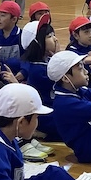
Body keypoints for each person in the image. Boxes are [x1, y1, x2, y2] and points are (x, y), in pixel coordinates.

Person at [20, 14, 60, 146]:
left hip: (54, 110)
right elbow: (66, 80)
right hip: (45, 116)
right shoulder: (38, 70)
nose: (55, 39)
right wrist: (59, 58)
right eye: (49, 36)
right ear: (37, 43)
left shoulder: (47, 62)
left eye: (54, 35)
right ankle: (39, 132)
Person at [0, 0, 24, 77]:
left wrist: (24, 72)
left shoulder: (22, 36)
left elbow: (29, 58)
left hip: (17, 76)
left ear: (14, 19)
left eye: (2, 15)